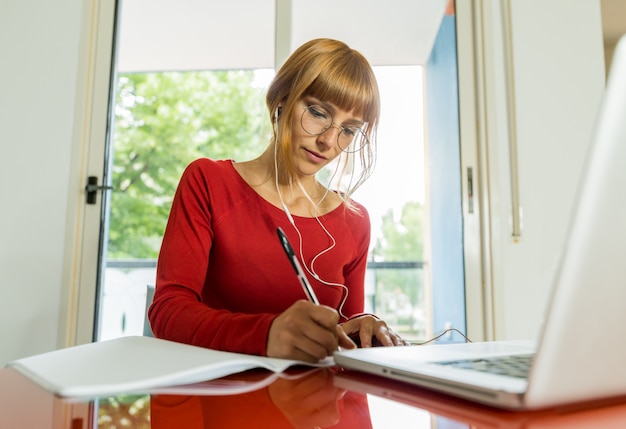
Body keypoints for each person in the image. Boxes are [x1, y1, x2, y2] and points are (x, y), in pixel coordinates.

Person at [148, 38, 408, 363]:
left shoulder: (354, 221)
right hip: (218, 401)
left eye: (349, 130)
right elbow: (168, 313)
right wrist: (268, 334)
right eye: (317, 112)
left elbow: (341, 338)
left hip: (314, 406)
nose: (329, 141)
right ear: (283, 99)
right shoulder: (209, 183)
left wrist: (360, 330)